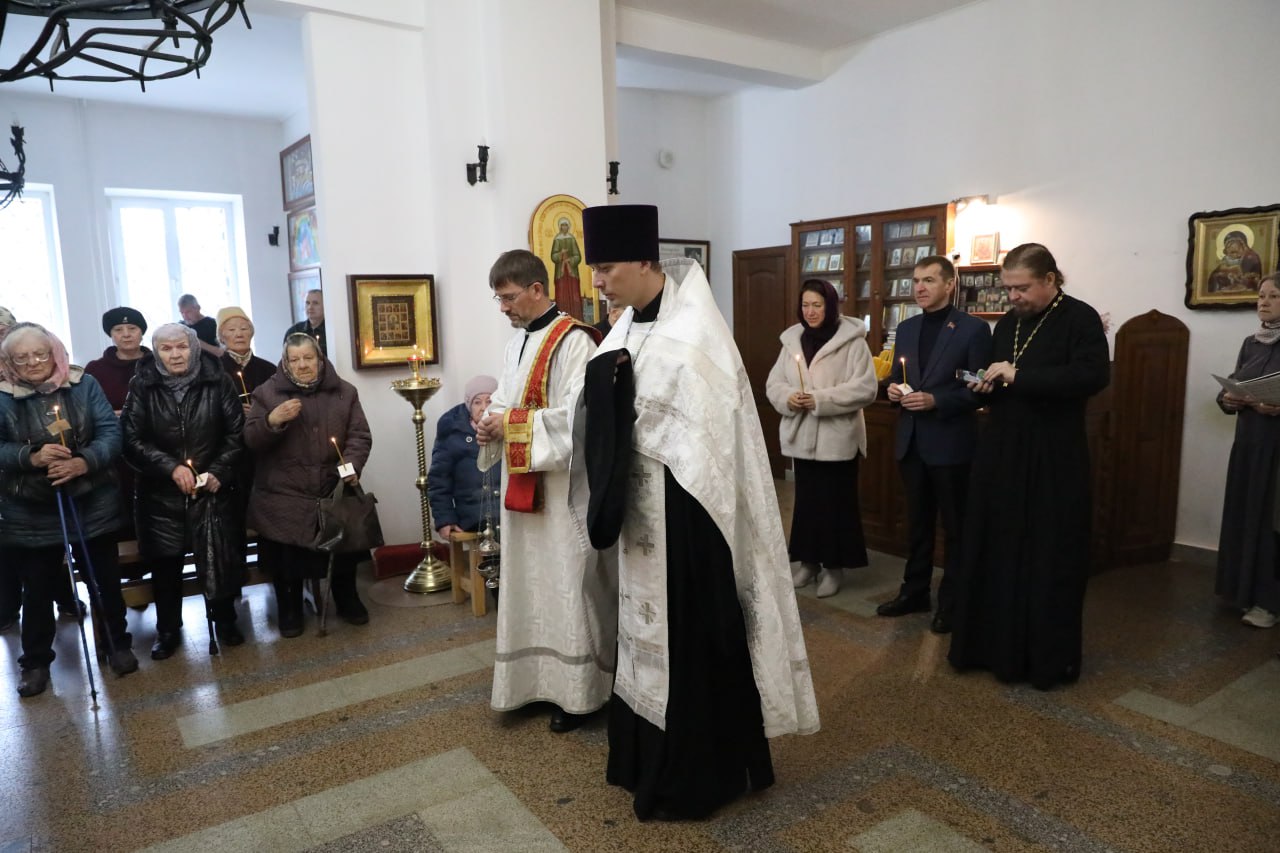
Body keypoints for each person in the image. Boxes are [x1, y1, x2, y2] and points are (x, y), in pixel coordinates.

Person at [576, 204, 819, 820]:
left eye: (605, 268)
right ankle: (640, 759)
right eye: (594, 270)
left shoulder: (697, 332)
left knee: (690, 637)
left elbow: (708, 429)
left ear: (643, 261)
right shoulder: (623, 328)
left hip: (689, 513)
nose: (598, 282)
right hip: (639, 512)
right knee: (639, 631)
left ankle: (696, 774)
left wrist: (627, 402)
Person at [947, 243, 1110, 690]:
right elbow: (1001, 379)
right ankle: (989, 649)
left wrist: (1020, 377)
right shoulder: (1009, 326)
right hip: (1002, 452)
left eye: (1021, 288)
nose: (1013, 297)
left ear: (1050, 280)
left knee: (1046, 556)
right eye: (1008, 288)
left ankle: (1044, 661)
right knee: (995, 548)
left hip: (1053, 457)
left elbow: (1092, 377)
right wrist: (985, 385)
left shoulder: (1080, 318)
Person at [475, 248, 612, 733]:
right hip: (522, 481)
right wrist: (489, 418)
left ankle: (578, 694)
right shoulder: (517, 342)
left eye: (510, 297)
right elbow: (508, 399)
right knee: (527, 581)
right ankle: (530, 682)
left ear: (538, 289)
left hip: (561, 488)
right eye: (498, 298)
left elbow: (576, 419)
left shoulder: (575, 342)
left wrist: (506, 422)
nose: (504, 307)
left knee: (566, 579)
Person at [0, 323, 137, 696]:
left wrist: (83, 462)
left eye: (40, 354)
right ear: (8, 361)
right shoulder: (2, 395)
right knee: (38, 589)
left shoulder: (83, 384)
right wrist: (31, 456)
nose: (32, 363)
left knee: (104, 581)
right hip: (30, 509)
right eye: (21, 357)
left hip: (92, 499)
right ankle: (36, 662)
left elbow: (111, 433)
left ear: (54, 352)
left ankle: (116, 644)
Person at [879, 258, 991, 632]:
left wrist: (936, 401)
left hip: (951, 443)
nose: (920, 288)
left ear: (949, 284)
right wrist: (895, 390)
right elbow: (900, 374)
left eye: (928, 280)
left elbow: (978, 391)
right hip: (911, 442)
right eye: (915, 281)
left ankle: (953, 602)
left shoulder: (973, 329)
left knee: (955, 528)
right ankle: (914, 592)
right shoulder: (907, 327)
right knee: (918, 524)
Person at [121, 324, 245, 658]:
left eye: (182, 347)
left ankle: (225, 620)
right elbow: (131, 440)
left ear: (194, 347)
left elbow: (237, 433)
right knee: (165, 567)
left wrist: (219, 470)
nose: (175, 354)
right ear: (156, 351)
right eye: (166, 348)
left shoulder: (217, 380)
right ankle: (168, 630)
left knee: (217, 557)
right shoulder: (142, 384)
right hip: (160, 495)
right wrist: (169, 467)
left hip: (212, 491)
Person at [245, 333, 372, 637]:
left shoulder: (345, 392)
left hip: (332, 485)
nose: (302, 365)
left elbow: (359, 436)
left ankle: (347, 597)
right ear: (285, 363)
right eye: (295, 359)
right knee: (286, 556)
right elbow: (250, 441)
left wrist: (351, 466)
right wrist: (271, 422)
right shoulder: (266, 393)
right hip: (283, 491)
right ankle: (289, 607)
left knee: (343, 543)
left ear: (320, 358)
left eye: (308, 358)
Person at [765, 279, 878, 598]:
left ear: (830, 305)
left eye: (817, 305)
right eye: (805, 305)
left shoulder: (852, 341)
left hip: (837, 439)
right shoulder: (792, 341)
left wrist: (820, 399)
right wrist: (790, 398)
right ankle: (809, 562)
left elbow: (866, 388)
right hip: (802, 437)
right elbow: (774, 384)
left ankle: (834, 568)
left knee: (835, 506)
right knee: (807, 505)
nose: (810, 311)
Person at [1215, 274, 1280, 628]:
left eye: (1273, 296)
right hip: (1249, 442)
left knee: (1269, 522)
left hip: (1276, 449)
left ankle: (1269, 602)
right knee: (1244, 515)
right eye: (1260, 295)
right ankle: (1241, 592)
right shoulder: (1251, 343)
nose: (1264, 302)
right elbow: (1240, 379)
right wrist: (1228, 397)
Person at [85, 307, 151, 544]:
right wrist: (112, 415)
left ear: (142, 332)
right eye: (118, 329)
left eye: (132, 328)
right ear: (110, 334)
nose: (126, 334)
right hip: (115, 452)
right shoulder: (95, 370)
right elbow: (88, 409)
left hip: (153, 445)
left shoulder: (158, 364)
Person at [429, 375, 499, 538]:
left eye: (489, 401)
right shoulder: (453, 430)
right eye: (477, 402)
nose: (483, 408)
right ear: (469, 405)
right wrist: (444, 519)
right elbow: (439, 480)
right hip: (473, 515)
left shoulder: (506, 428)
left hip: (507, 512)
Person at [215, 306, 276, 407]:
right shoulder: (214, 370)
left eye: (244, 328)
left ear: (251, 333)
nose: (239, 334)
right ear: (221, 337)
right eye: (231, 330)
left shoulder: (269, 369)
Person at [550, 217, 584, 321]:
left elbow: (578, 255)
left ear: (568, 227)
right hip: (561, 273)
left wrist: (570, 260)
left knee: (574, 295)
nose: (564, 227)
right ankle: (561, 320)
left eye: (566, 225)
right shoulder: (556, 239)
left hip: (572, 272)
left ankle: (577, 318)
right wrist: (561, 254)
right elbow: (553, 256)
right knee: (561, 295)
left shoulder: (572, 238)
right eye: (562, 225)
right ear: (560, 227)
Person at [285, 289, 327, 356]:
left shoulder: (330, 332)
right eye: (307, 303)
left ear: (325, 305)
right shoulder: (294, 331)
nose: (310, 307)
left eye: (315, 303)